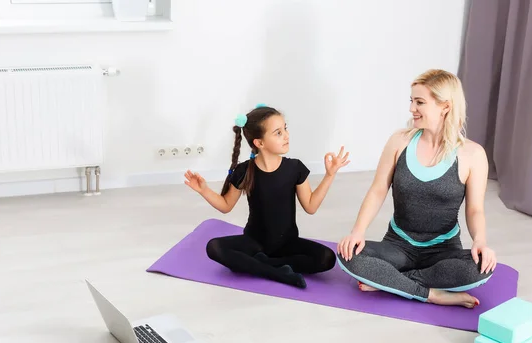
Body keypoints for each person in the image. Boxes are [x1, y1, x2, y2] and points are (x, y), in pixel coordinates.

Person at [337, 69, 497, 308]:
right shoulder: (399, 141)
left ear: (445, 106)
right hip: (398, 246)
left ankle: (390, 281)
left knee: (481, 268)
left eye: (420, 102)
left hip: (443, 251)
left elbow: (475, 210)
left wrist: (480, 241)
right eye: (411, 101)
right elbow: (378, 189)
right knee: (348, 254)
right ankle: (432, 294)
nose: (412, 109)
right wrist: (357, 231)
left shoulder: (472, 155)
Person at [185, 104, 349, 288]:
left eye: (285, 129)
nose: (286, 136)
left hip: (287, 244)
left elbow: (311, 206)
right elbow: (226, 205)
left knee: (327, 258)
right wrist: (204, 190)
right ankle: (278, 272)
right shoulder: (245, 170)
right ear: (259, 142)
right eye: (278, 133)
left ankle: (265, 266)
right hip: (253, 243)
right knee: (213, 247)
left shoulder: (295, 168)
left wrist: (330, 175)